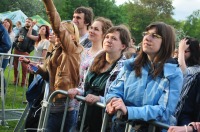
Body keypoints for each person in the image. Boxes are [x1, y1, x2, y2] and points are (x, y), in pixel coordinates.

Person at [105, 22, 183, 132]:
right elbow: (114, 90)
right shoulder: (131, 65)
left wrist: (129, 111)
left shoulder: (173, 73)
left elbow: (164, 111)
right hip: (121, 127)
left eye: (155, 36)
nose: (147, 38)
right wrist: (113, 101)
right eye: (146, 33)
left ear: (166, 42)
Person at [29, 0, 83, 131]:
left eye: (62, 33)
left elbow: (57, 25)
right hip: (53, 105)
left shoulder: (71, 50)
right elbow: (49, 76)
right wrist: (36, 68)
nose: (57, 34)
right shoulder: (56, 50)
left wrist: (48, 3)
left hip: (64, 110)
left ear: (73, 37)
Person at [68, 25, 131, 132]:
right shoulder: (96, 60)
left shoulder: (125, 68)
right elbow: (85, 88)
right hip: (83, 119)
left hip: (104, 123)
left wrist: (99, 99)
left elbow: (121, 98)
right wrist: (77, 91)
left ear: (123, 46)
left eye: (114, 38)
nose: (109, 40)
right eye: (107, 37)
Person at [175, 38, 200, 126]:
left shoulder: (197, 69)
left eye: (186, 51)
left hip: (184, 115)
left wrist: (181, 50)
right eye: (181, 50)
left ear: (193, 52)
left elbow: (183, 72)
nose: (181, 53)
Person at [13, 17, 37, 87]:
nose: (27, 22)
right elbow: (15, 39)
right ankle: (15, 81)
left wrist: (28, 51)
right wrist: (18, 39)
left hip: (25, 52)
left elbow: (35, 44)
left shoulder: (34, 32)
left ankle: (23, 83)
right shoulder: (21, 29)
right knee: (15, 67)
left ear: (31, 23)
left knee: (25, 68)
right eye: (26, 21)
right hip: (17, 50)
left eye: (29, 22)